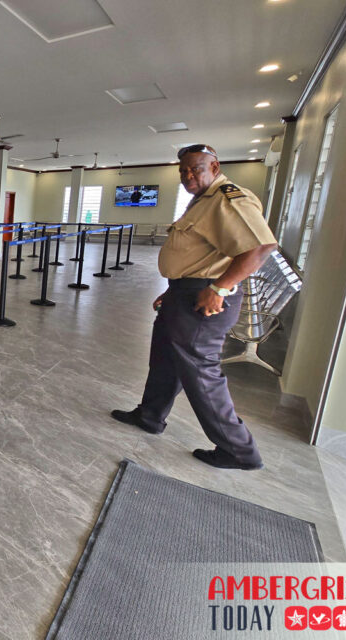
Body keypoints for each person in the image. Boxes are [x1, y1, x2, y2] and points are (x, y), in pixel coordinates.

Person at [111, 144, 277, 470]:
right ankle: (150, 415)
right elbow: (199, 255)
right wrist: (174, 291)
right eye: (183, 171)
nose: (188, 175)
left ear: (214, 167)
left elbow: (261, 246)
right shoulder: (203, 201)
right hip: (185, 293)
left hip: (205, 299)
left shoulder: (227, 198)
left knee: (201, 373)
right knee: (164, 360)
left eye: (196, 169)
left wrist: (219, 287)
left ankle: (238, 450)